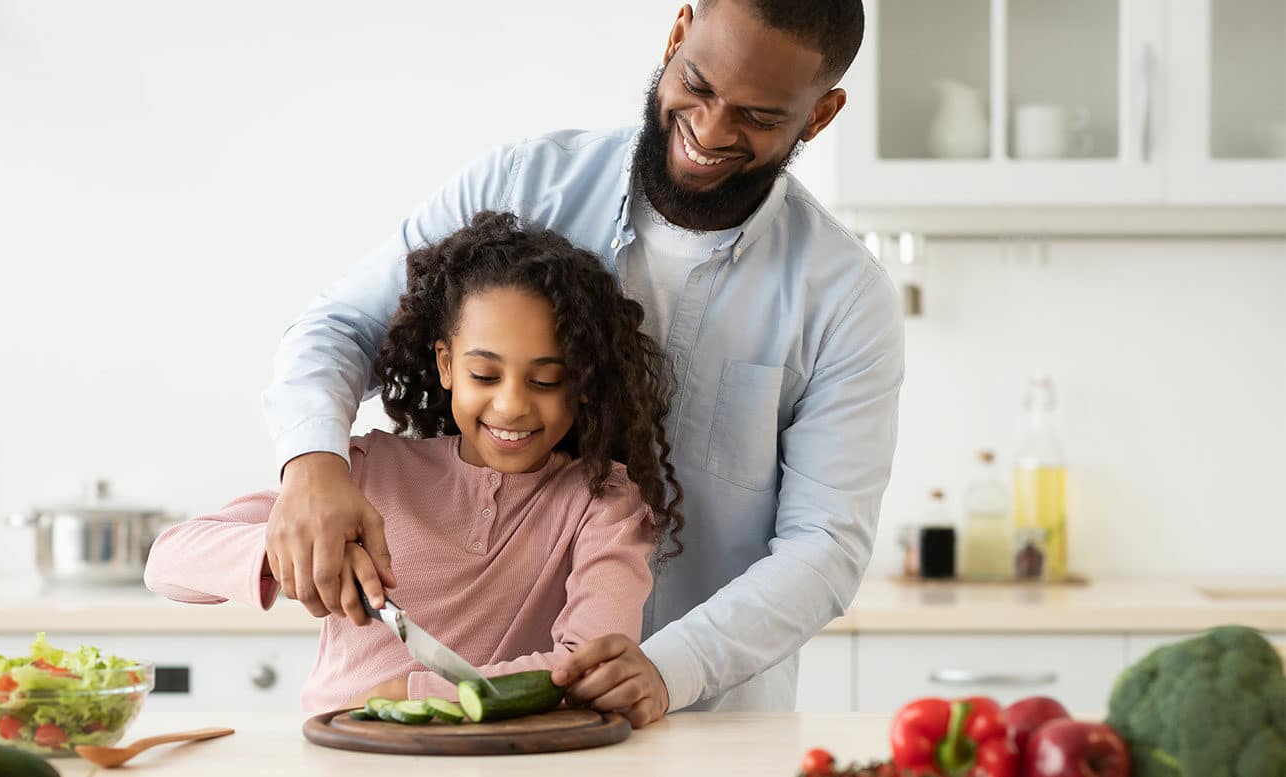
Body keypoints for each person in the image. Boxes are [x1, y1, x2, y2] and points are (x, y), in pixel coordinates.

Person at [262, 0, 904, 726]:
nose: (711, 131)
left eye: (758, 117)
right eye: (696, 85)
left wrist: (669, 668)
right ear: (677, 33)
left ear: (819, 116)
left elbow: (825, 544)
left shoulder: (846, 297)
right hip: (507, 720)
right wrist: (313, 464)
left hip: (712, 723)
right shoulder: (521, 185)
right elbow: (341, 324)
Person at [146, 212, 685, 711]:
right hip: (339, 760)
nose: (513, 405)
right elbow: (168, 562)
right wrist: (294, 554)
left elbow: (593, 661)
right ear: (446, 365)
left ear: (584, 381)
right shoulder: (367, 470)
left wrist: (415, 691)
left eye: (546, 380)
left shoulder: (603, 502)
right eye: (485, 376)